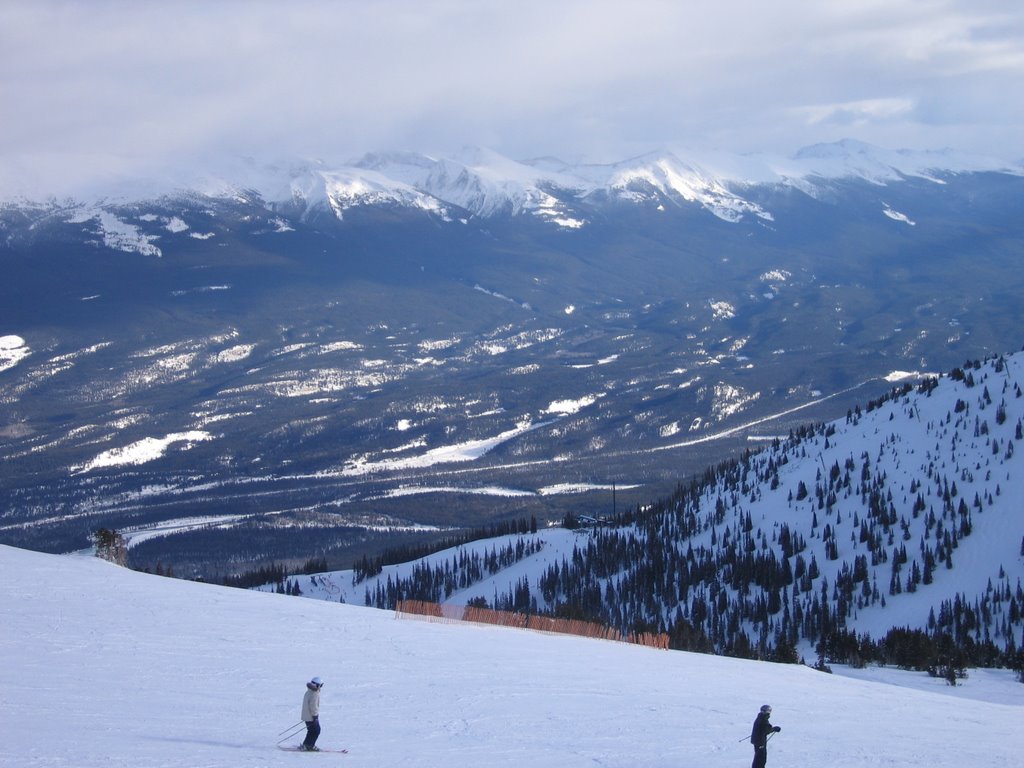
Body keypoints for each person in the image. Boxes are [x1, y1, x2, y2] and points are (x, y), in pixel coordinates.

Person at [750, 704, 781, 768]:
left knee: (759, 757)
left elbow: (763, 728)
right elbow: (766, 730)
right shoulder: (763, 719)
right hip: (760, 742)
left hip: (757, 740)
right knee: (761, 759)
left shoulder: (760, 717)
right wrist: (774, 729)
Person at [301, 676, 324, 752]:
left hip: (306, 716)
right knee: (316, 731)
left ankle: (306, 744)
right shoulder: (314, 693)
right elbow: (313, 707)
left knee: (311, 731)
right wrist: (315, 717)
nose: (321, 687)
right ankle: (310, 746)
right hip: (311, 716)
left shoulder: (309, 691)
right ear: (317, 685)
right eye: (321, 685)